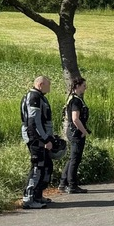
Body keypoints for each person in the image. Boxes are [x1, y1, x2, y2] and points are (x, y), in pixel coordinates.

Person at [21, 76, 55, 209]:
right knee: (38, 166)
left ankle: (38, 195)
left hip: (41, 137)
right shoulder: (33, 97)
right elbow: (34, 122)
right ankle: (28, 199)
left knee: (47, 166)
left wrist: (50, 137)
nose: (50, 88)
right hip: (36, 138)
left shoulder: (40, 97)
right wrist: (45, 139)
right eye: (48, 85)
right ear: (41, 84)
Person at [59, 76, 90, 194]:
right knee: (75, 159)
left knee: (72, 158)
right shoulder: (75, 100)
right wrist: (83, 131)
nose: (85, 88)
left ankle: (63, 182)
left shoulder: (73, 98)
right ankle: (72, 185)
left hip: (73, 131)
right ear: (77, 86)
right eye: (84, 86)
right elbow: (75, 119)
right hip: (76, 132)